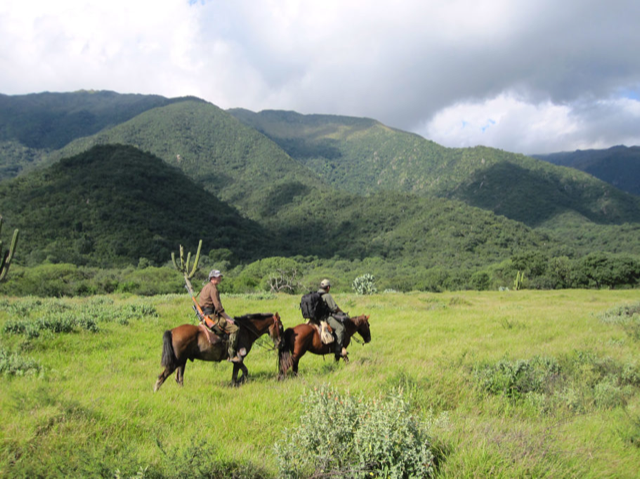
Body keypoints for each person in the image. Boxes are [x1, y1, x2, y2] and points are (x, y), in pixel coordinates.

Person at [198, 269, 242, 363]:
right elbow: (218, 307)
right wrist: (227, 318)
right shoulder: (213, 289)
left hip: (205, 316)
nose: (220, 278)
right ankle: (231, 354)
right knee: (235, 329)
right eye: (218, 277)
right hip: (212, 317)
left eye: (220, 276)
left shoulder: (206, 287)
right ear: (212, 278)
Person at [318, 279, 349, 360]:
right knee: (340, 328)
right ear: (328, 287)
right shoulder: (327, 295)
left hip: (316, 317)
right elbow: (334, 308)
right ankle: (338, 350)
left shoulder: (317, 294)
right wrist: (343, 313)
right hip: (325, 318)